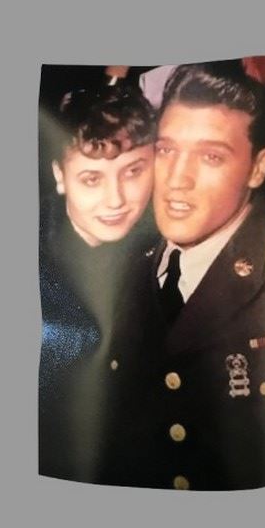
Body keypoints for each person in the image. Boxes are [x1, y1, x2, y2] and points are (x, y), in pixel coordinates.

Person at [122, 63, 265, 490]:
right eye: (166, 150)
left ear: (258, 168)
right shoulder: (123, 261)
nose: (177, 180)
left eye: (211, 156)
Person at [38, 84, 157, 481]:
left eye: (133, 171)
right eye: (91, 179)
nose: (115, 199)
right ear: (60, 176)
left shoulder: (162, 230)